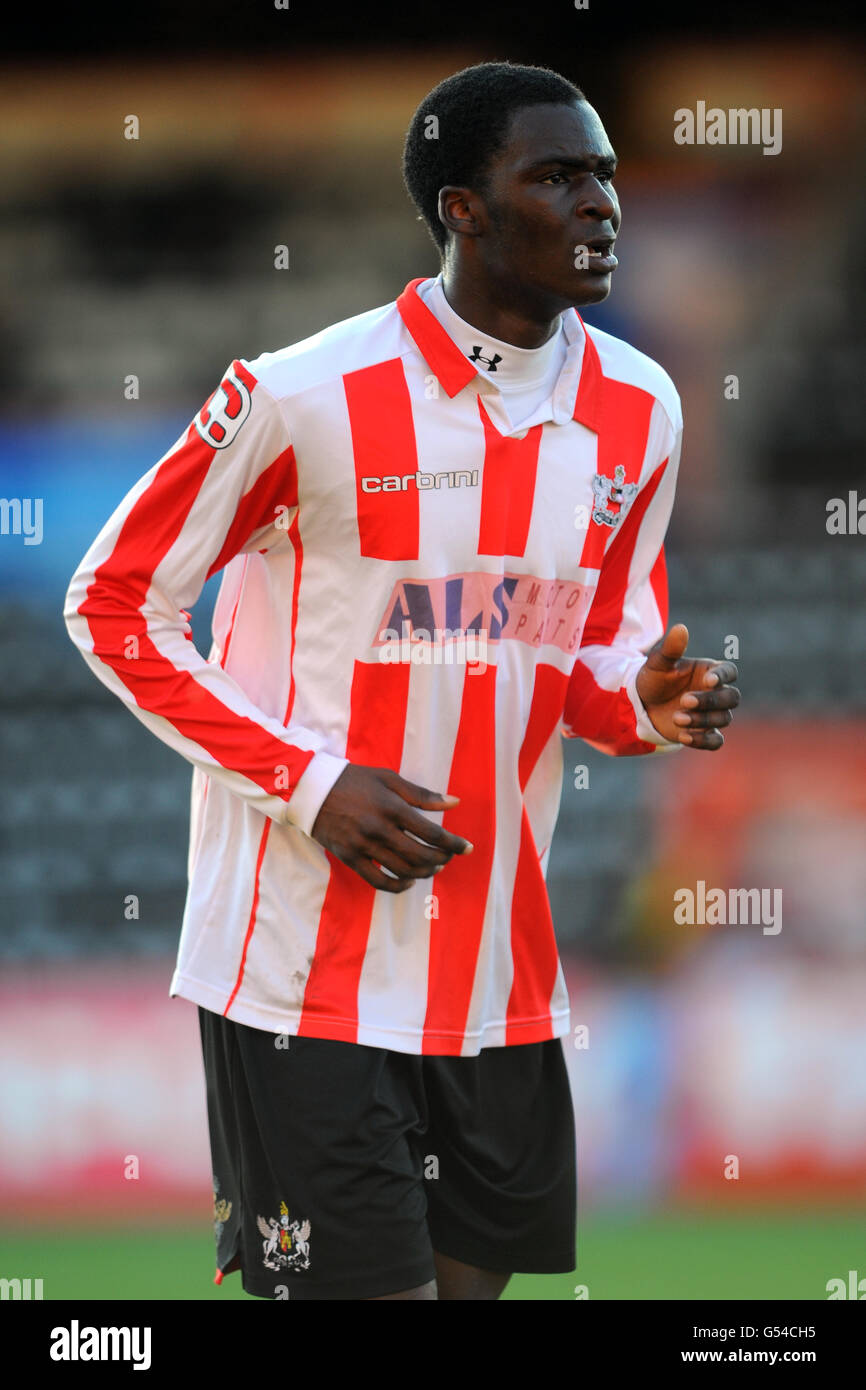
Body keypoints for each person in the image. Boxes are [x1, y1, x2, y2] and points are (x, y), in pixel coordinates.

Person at [64, 60, 739, 1301]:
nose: (600, 205)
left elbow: (592, 643)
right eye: (555, 176)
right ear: (461, 209)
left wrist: (637, 707)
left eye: (602, 174)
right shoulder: (298, 395)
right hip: (298, 974)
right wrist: (309, 784)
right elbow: (111, 602)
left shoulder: (640, 408)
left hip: (495, 975)